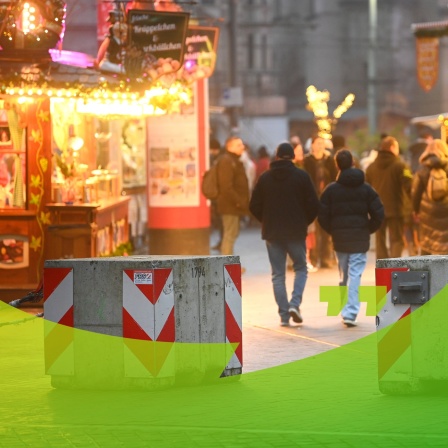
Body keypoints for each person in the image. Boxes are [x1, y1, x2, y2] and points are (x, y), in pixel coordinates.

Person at [250, 142, 319, 326]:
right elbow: (314, 204)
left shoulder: (265, 178)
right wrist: (304, 221)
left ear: (277, 156)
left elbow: (254, 205)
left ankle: (283, 315)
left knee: (278, 275)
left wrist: (266, 219)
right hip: (296, 231)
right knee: (301, 268)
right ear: (293, 157)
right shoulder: (302, 177)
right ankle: (295, 304)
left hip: (272, 232)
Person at [318, 149, 384, 327]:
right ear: (353, 163)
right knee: (355, 275)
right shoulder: (366, 189)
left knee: (344, 274)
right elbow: (378, 213)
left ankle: (346, 308)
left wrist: (333, 230)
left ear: (337, 165)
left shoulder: (331, 190)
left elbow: (322, 214)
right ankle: (351, 312)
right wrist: (367, 229)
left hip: (340, 240)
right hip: (359, 239)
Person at [366, 136, 413, 259]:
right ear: (392, 148)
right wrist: (413, 205)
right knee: (397, 239)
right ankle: (394, 266)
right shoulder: (401, 166)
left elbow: (366, 188)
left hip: (377, 210)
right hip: (396, 209)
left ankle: (383, 269)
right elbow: (410, 186)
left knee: (379, 240)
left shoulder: (371, 168)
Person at [303, 135, 338, 268]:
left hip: (327, 200)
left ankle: (325, 258)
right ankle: (314, 258)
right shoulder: (307, 161)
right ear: (312, 145)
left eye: (322, 143)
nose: (320, 146)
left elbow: (335, 179)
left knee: (326, 231)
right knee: (313, 232)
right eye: (317, 143)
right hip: (311, 200)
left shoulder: (329, 160)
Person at [412, 139, 448, 255]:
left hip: (428, 212)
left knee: (427, 242)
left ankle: (426, 270)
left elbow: (415, 192)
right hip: (446, 209)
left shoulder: (422, 168)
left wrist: (415, 211)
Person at [216, 136, 249, 256]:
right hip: (229, 205)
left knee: (232, 234)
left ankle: (229, 264)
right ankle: (227, 266)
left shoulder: (234, 160)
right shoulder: (227, 161)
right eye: (238, 145)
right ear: (230, 147)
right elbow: (226, 186)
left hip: (233, 205)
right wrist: (238, 201)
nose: (242, 147)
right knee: (229, 235)